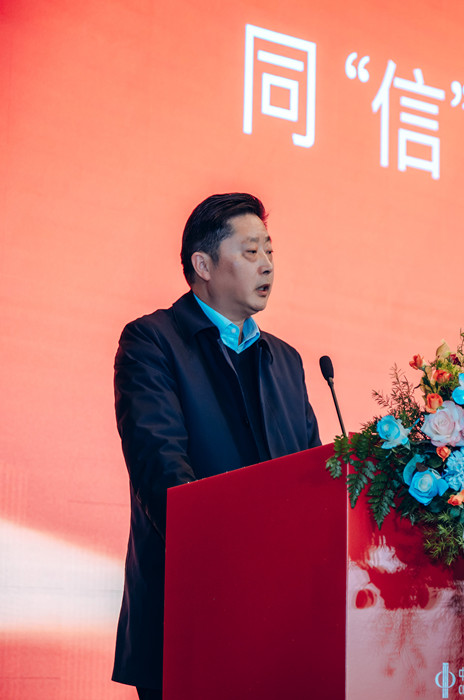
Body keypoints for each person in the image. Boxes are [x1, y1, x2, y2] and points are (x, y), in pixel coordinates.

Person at [112, 193, 321, 699]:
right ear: (203, 265)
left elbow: (313, 477)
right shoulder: (152, 342)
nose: (267, 264)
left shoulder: (286, 361)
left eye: (269, 250)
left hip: (281, 623)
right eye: (250, 252)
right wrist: (233, 556)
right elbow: (160, 469)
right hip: (191, 614)